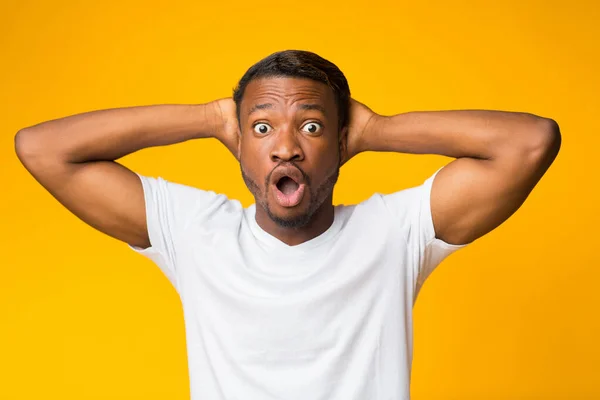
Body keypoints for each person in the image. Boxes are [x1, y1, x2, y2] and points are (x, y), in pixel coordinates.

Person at [14, 50, 561, 400]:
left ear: (341, 143)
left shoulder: (394, 232)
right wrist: (209, 119)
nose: (285, 147)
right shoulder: (195, 232)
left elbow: (529, 142)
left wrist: (377, 129)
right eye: (261, 127)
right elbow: (41, 149)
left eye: (313, 125)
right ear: (239, 145)